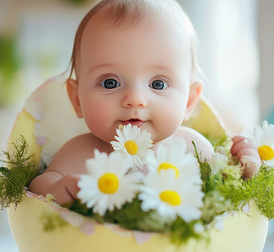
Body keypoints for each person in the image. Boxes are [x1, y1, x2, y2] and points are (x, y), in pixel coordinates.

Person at [29, 0, 256, 205]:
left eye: (158, 84)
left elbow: (227, 189)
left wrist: (245, 168)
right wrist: (59, 187)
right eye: (110, 83)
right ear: (77, 99)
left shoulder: (192, 148)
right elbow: (38, 185)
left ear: (189, 101)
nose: (135, 99)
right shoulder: (80, 153)